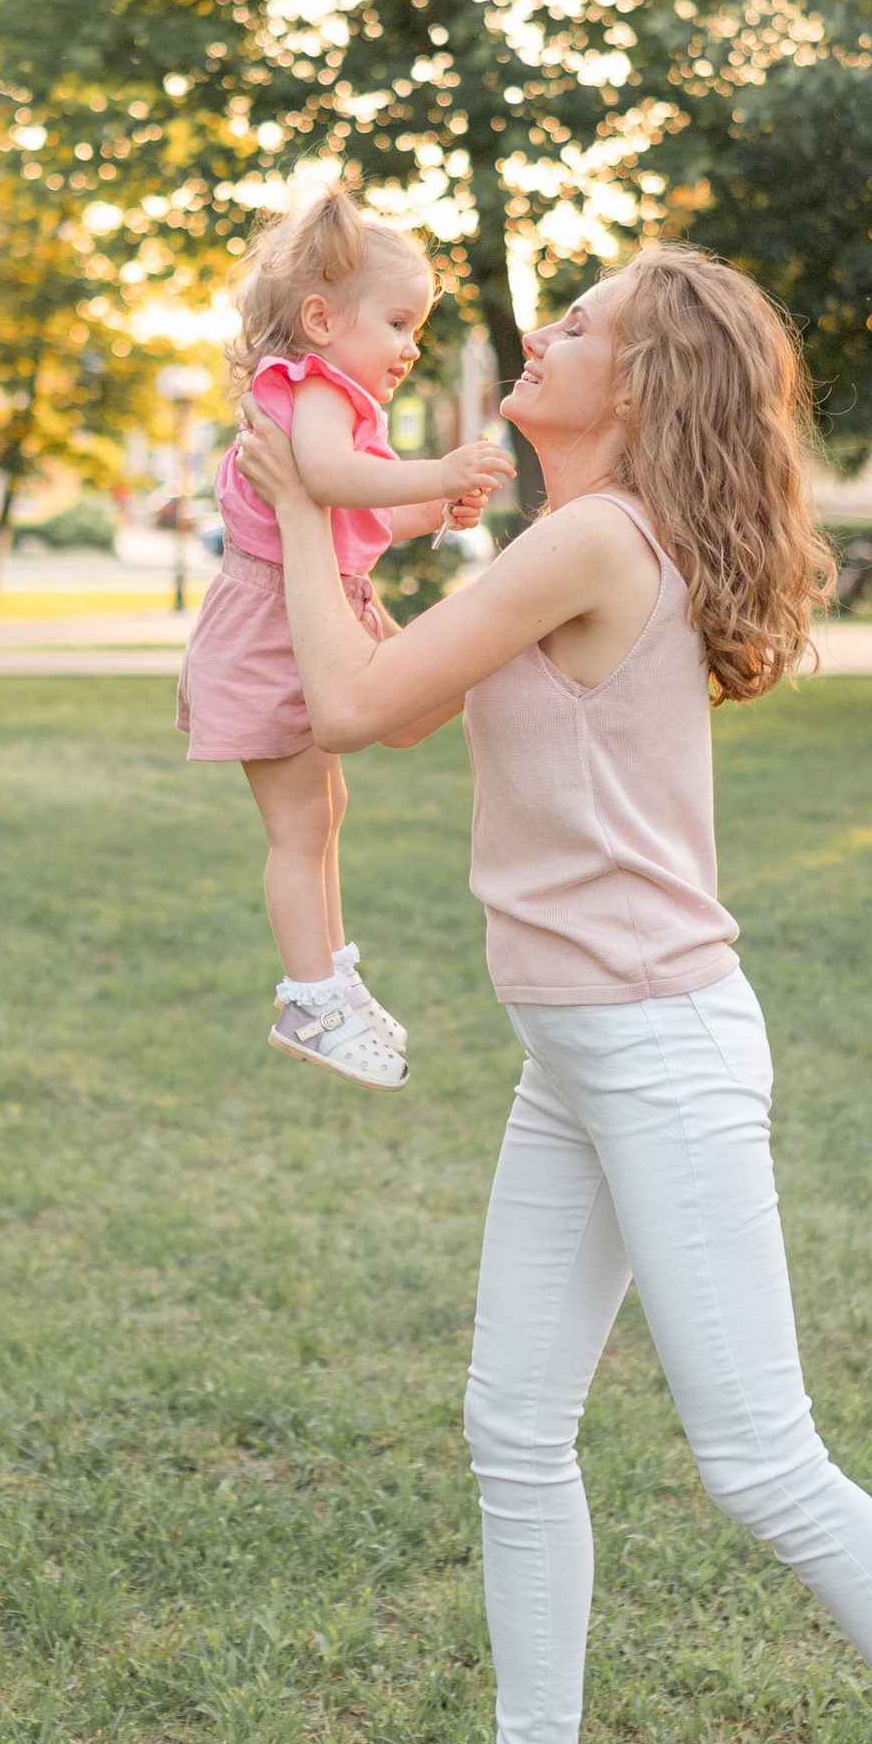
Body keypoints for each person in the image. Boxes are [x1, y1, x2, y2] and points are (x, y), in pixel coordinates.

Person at [233, 246, 872, 1744]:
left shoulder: (594, 538)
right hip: (579, 1046)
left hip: (656, 1048)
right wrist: (310, 502)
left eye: (571, 329)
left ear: (631, 392)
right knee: (510, 1421)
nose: (528, 339)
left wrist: (293, 497)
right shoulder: (575, 541)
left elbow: (351, 705)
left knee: (762, 1460)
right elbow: (376, 676)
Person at [177, 188, 512, 1091]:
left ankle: (331, 972)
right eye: (399, 322)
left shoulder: (332, 398)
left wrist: (435, 504)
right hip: (271, 625)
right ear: (321, 319)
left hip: (306, 606)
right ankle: (311, 997)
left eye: (420, 327)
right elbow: (325, 478)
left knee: (325, 817)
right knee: (296, 828)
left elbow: (346, 515)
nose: (412, 346)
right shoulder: (311, 389)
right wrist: (438, 467)